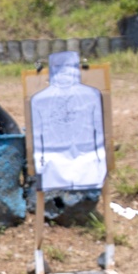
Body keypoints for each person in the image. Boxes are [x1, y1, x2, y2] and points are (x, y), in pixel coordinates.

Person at [30, 50, 107, 190]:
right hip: (55, 171)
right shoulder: (38, 100)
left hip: (87, 168)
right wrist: (39, 167)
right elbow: (37, 139)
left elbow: (100, 134)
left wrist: (101, 163)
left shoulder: (93, 95)